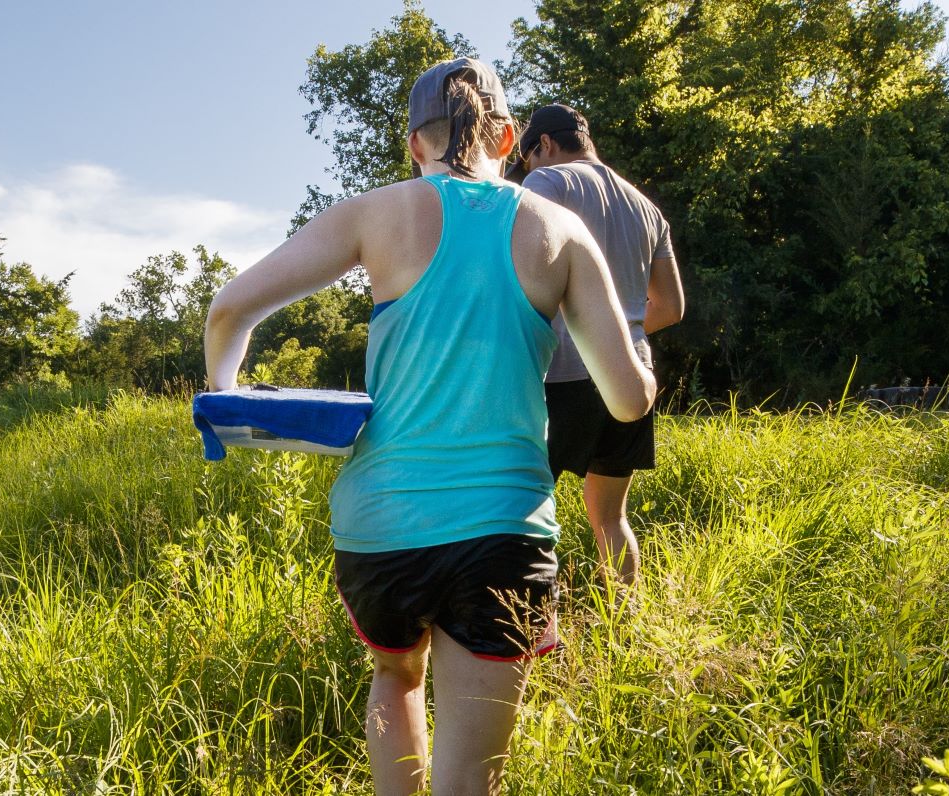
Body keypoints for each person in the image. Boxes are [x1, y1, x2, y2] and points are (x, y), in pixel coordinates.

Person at [202, 58, 653, 796]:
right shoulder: (560, 230)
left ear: (416, 144)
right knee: (469, 782)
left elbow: (229, 310)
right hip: (502, 532)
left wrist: (227, 399)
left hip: (379, 531)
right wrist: (643, 364)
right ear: (508, 138)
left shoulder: (373, 213)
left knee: (396, 673)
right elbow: (628, 401)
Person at [511, 103, 684, 587]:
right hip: (631, 377)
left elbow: (519, 277)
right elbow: (670, 307)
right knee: (610, 518)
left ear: (542, 145)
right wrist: (616, 336)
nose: (528, 171)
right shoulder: (646, 208)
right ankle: (623, 625)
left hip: (559, 377)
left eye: (526, 159)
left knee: (520, 512)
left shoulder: (548, 184)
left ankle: (531, 635)